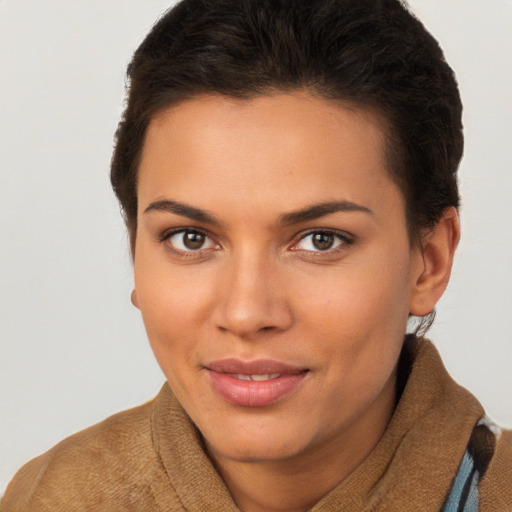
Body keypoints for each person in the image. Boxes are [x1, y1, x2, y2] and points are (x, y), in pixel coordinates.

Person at [2, 0, 511, 510]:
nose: (246, 313)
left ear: (430, 261)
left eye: (321, 240)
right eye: (191, 239)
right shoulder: (50, 496)